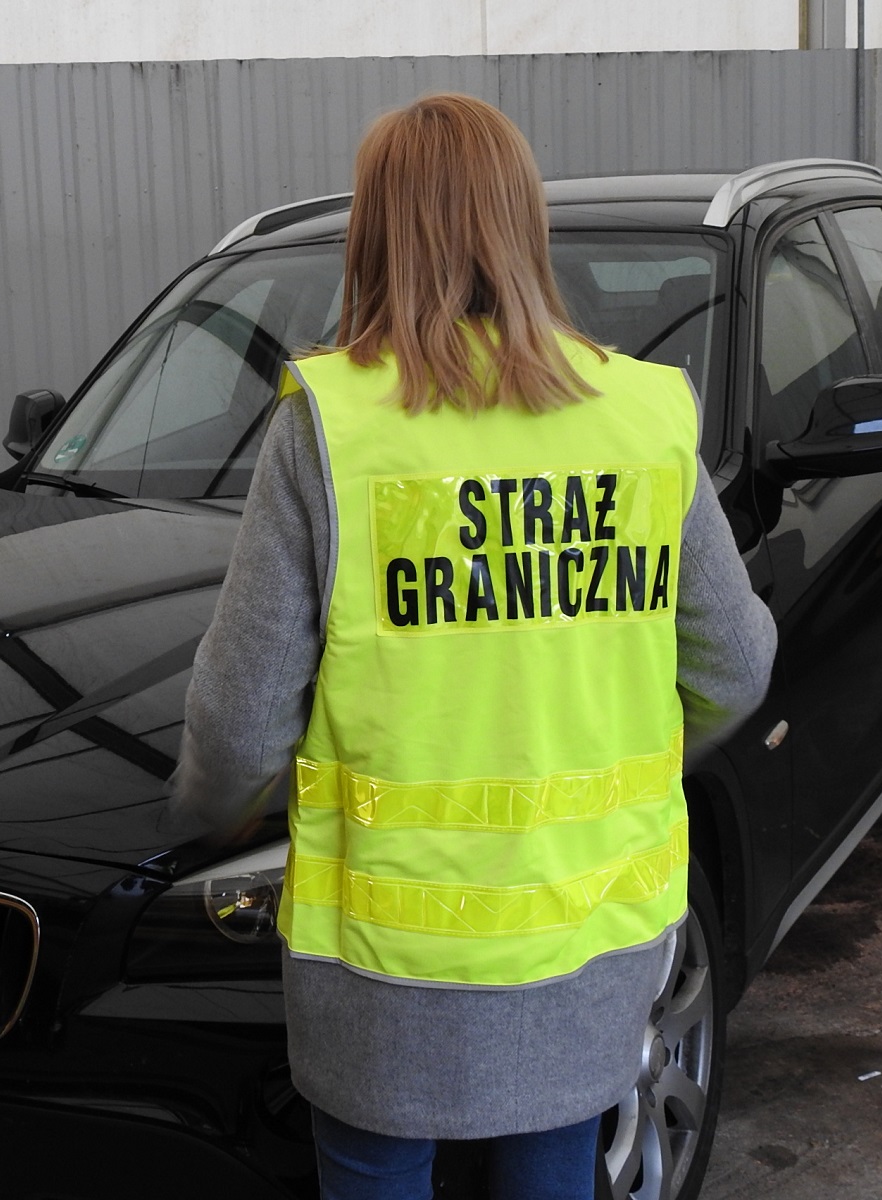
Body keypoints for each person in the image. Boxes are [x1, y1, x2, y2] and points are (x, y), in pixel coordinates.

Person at [169, 93, 775, 1200]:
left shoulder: (331, 430)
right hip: (588, 941)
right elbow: (734, 667)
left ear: (374, 233)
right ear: (522, 225)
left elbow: (239, 721)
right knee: (554, 1162)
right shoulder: (643, 419)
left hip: (385, 968)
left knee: (374, 1169)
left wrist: (210, 812)